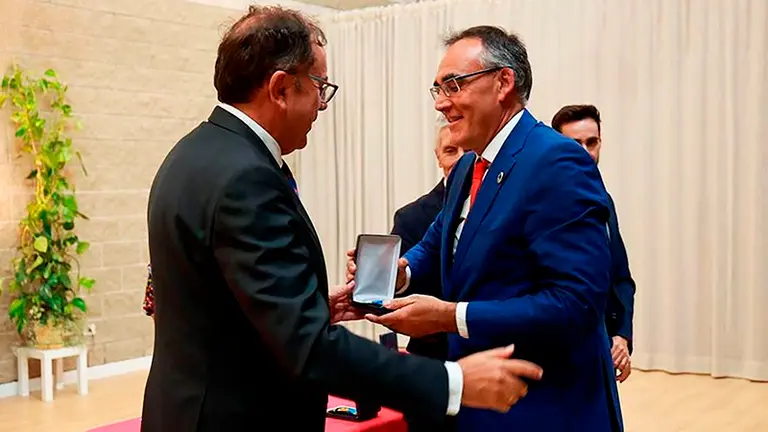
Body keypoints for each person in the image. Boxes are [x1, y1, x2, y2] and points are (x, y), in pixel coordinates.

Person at [140, 8, 542, 432]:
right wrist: (453, 381)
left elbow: (223, 305)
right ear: (280, 88)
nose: (321, 105)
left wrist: (307, 308)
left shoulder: (195, 152)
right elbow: (310, 349)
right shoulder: (247, 178)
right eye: (319, 87)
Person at [347, 26, 623, 431]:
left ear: (503, 83)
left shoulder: (557, 161)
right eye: (437, 89)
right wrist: (401, 272)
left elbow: (576, 302)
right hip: (482, 401)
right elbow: (441, 238)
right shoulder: (467, 166)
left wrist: (449, 317)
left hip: (546, 407)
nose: (441, 103)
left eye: (454, 85)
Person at [551, 104, 636, 383]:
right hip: (559, 354)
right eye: (574, 144)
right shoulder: (540, 204)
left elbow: (620, 277)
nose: (586, 152)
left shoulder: (603, 200)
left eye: (592, 142)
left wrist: (621, 335)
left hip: (602, 349)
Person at [390, 115, 463, 432]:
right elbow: (398, 287)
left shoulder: (501, 200)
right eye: (450, 150)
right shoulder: (411, 216)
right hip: (432, 362)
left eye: (465, 151)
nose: (459, 159)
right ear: (437, 157)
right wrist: (393, 278)